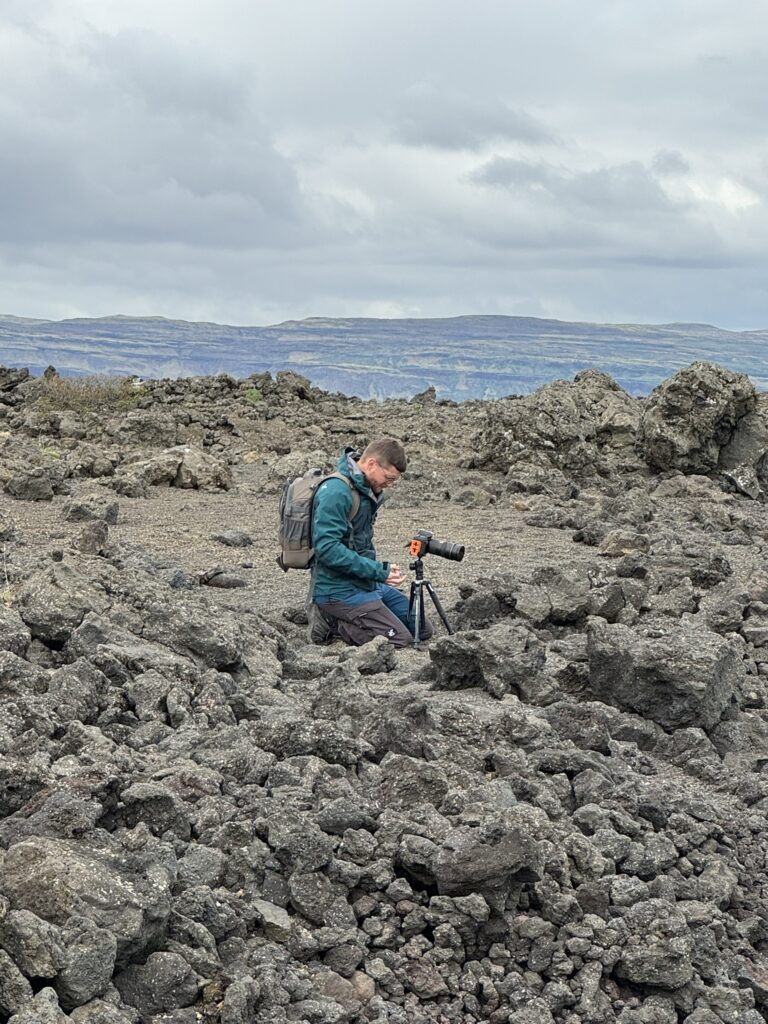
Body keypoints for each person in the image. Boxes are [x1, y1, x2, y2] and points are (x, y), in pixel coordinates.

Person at [308, 438, 433, 647]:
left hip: (365, 583)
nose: (390, 485)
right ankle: (334, 623)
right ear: (372, 464)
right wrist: (378, 571)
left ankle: (361, 613)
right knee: (401, 641)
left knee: (423, 629)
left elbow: (359, 542)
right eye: (389, 478)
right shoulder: (336, 491)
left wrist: (377, 573)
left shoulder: (368, 491)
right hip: (336, 590)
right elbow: (327, 549)